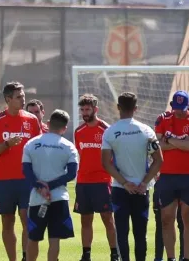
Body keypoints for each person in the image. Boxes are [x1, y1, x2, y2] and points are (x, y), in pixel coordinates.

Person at [101, 92, 164, 261]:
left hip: (120, 190)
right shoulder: (146, 130)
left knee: (121, 232)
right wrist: (144, 182)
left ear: (118, 107)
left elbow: (106, 163)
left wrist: (124, 183)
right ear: (136, 108)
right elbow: (158, 160)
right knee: (140, 234)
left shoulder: (110, 132)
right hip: (141, 190)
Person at [0, 81, 42, 261]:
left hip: (26, 179)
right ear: (8, 99)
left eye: (23, 96)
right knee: (7, 222)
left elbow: (39, 149)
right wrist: (7, 144)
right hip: (4, 180)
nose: (22, 99)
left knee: (27, 219)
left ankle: (27, 257)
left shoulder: (32, 120)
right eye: (19, 97)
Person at [154, 90, 189, 261]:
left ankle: (187, 258)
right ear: (172, 106)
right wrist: (181, 142)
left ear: (188, 106)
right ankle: (171, 258)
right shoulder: (162, 118)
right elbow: (158, 145)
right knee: (166, 220)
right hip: (167, 176)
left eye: (182, 108)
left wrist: (170, 140)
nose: (179, 111)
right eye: (176, 108)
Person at [22, 109, 78, 261]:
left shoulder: (31, 144)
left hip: (37, 198)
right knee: (54, 239)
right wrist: (51, 186)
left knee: (33, 238)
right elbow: (72, 173)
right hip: (58, 198)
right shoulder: (68, 146)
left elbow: (26, 170)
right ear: (65, 128)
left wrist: (40, 186)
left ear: (47, 124)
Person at [73, 94, 119, 261]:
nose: (85, 112)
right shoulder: (78, 131)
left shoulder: (106, 130)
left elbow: (114, 156)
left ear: (95, 109)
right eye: (83, 109)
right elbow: (81, 154)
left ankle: (114, 254)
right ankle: (86, 255)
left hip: (102, 182)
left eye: (88, 109)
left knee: (108, 218)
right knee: (86, 220)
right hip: (83, 182)